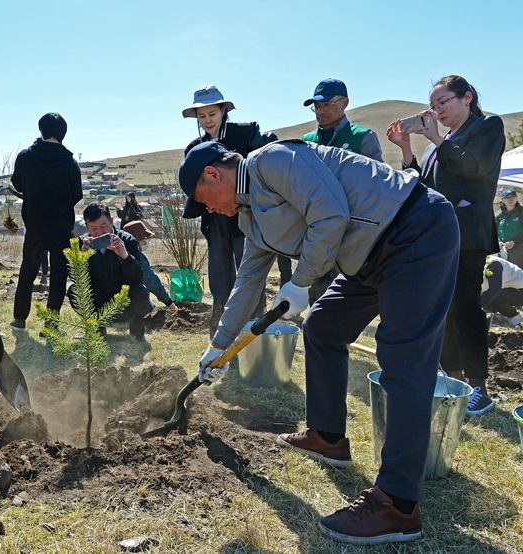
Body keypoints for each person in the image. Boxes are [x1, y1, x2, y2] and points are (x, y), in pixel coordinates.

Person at [180, 140, 459, 545]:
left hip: (413, 228)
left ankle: (397, 505)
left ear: (212, 174)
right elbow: (247, 284)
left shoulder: (272, 162)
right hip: (365, 257)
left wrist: (300, 280)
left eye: (201, 199)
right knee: (323, 326)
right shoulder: (249, 219)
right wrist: (219, 345)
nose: (206, 209)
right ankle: (328, 438)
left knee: (403, 362)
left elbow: (330, 214)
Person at [387, 75, 505, 416]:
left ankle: (479, 387)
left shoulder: (487, 127)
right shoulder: (437, 144)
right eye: (434, 106)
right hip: (437, 233)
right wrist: (407, 149)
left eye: (444, 103)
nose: (437, 111)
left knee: (465, 307)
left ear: (467, 98)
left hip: (469, 234)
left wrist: (437, 139)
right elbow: (421, 186)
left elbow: (474, 168)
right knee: (441, 308)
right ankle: (452, 379)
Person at [182, 84, 277, 337]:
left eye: (211, 114)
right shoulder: (193, 148)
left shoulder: (246, 134)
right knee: (220, 280)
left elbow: (270, 156)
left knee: (250, 278)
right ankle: (219, 334)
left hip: (247, 218)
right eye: (201, 117)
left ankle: (253, 334)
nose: (207, 121)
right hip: (215, 221)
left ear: (224, 110)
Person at [301, 78, 385, 305]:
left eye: (327, 104)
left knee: (343, 298)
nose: (321, 110)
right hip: (317, 232)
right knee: (316, 297)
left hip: (352, 234)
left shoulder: (363, 138)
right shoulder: (305, 142)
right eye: (317, 106)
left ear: (345, 102)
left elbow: (376, 189)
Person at [9, 113, 83, 332]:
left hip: (35, 224)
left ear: (41, 129)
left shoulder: (26, 156)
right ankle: (50, 325)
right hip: (62, 227)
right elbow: (76, 195)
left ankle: (19, 319)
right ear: (63, 132)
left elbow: (17, 184)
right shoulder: (70, 162)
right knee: (59, 276)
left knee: (28, 271)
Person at [73, 202, 152, 341]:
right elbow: (77, 279)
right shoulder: (82, 244)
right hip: (98, 297)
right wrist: (81, 258)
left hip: (124, 295)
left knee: (140, 290)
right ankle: (96, 330)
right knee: (74, 291)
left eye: (103, 226)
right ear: (86, 227)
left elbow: (137, 278)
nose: (99, 233)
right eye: (93, 228)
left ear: (111, 221)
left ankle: (137, 334)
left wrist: (125, 256)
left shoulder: (127, 240)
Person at [123, 220, 177, 312]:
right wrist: (169, 303)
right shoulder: (136, 257)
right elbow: (151, 281)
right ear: (137, 240)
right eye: (144, 239)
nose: (146, 242)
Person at [481, 255, 523, 329]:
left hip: (520, 290)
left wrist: (477, 307)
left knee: (491, 296)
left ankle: (515, 319)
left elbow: (495, 289)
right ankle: (502, 317)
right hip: (509, 288)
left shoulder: (492, 264)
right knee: (485, 298)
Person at [496, 189, 523, 268]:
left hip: (519, 251)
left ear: (516, 198)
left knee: (519, 277)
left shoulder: (521, 213)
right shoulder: (499, 216)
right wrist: (498, 242)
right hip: (503, 250)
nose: (510, 199)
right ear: (502, 200)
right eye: (507, 197)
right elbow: (492, 232)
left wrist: (514, 242)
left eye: (513, 197)